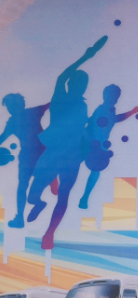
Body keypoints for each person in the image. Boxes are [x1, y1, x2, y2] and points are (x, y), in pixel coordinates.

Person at [27, 35, 107, 249]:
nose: (80, 86)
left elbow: (82, 130)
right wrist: (86, 56)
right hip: (53, 152)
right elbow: (62, 76)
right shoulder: (60, 97)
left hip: (72, 155)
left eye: (84, 84)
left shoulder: (82, 106)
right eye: (78, 82)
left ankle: (49, 234)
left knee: (64, 196)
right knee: (32, 195)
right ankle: (38, 203)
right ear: (71, 83)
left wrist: (93, 144)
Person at [78, 84, 138, 209]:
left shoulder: (110, 110)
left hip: (99, 145)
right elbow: (90, 125)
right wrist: (91, 141)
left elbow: (115, 119)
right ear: (105, 96)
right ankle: (83, 197)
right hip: (92, 144)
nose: (113, 99)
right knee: (79, 166)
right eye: (111, 96)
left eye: (115, 97)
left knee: (95, 171)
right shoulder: (102, 109)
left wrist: (134, 111)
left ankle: (85, 197)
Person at [0, 94, 49, 228]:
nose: (11, 109)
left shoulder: (32, 112)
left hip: (41, 155)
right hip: (28, 156)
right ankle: (20, 218)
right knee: (22, 187)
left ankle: (36, 203)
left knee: (31, 187)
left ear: (21, 104)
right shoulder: (12, 122)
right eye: (9, 106)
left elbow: (52, 103)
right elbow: (2, 138)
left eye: (13, 105)